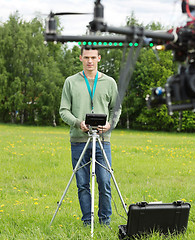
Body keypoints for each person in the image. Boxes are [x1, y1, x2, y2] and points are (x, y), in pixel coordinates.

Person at [59, 47, 120, 226]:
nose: (90, 61)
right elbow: (63, 110)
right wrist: (79, 123)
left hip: (102, 141)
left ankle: (105, 221)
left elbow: (116, 109)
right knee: (83, 184)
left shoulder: (109, 82)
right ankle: (87, 221)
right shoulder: (70, 82)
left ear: (99, 58)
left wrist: (109, 125)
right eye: (86, 57)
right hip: (79, 140)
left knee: (104, 182)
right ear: (80, 58)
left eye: (93, 57)